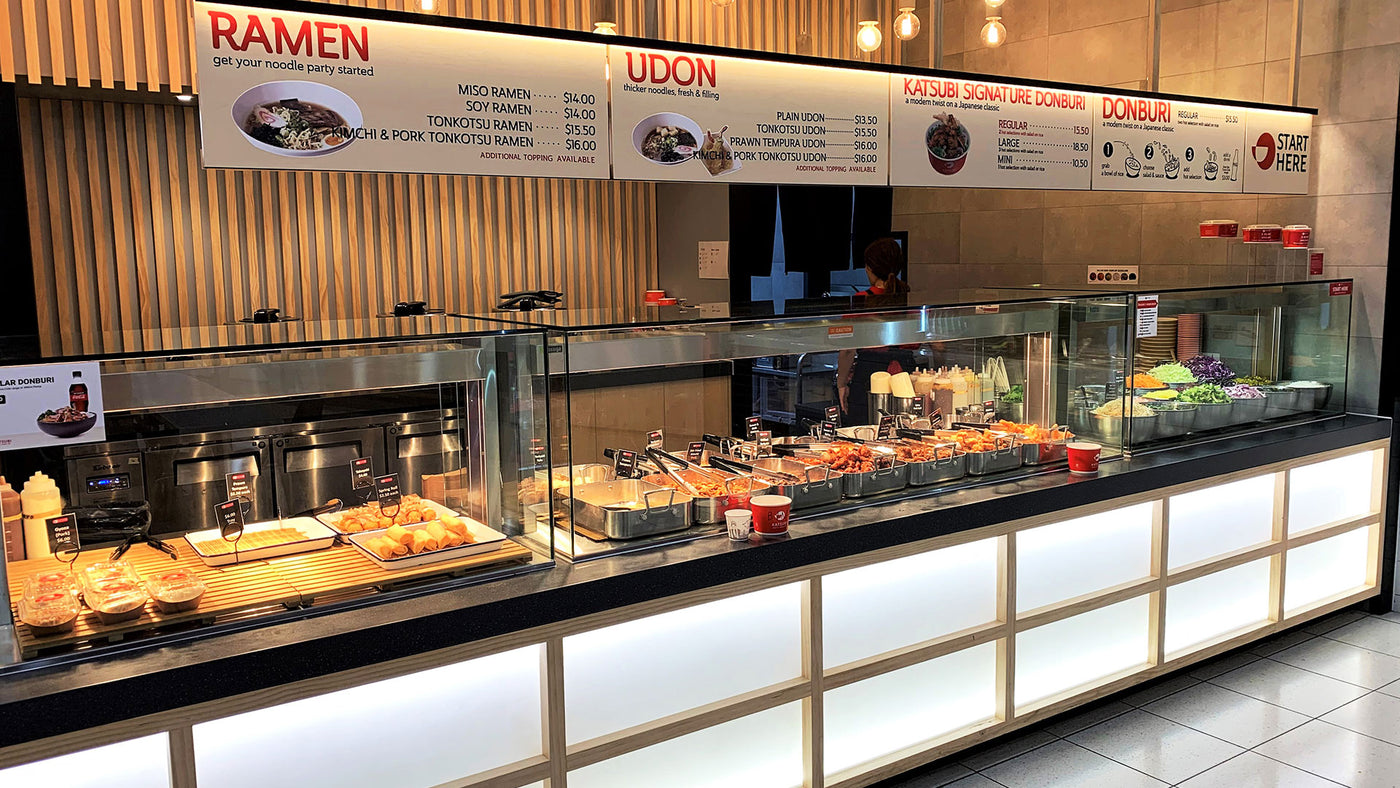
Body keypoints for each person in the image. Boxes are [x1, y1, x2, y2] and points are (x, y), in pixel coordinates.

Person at [836, 239, 914, 420]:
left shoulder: (860, 301)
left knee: (866, 432)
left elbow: (847, 350)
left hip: (869, 374)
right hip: (908, 375)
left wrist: (842, 384)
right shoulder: (912, 298)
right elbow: (937, 344)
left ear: (870, 268)